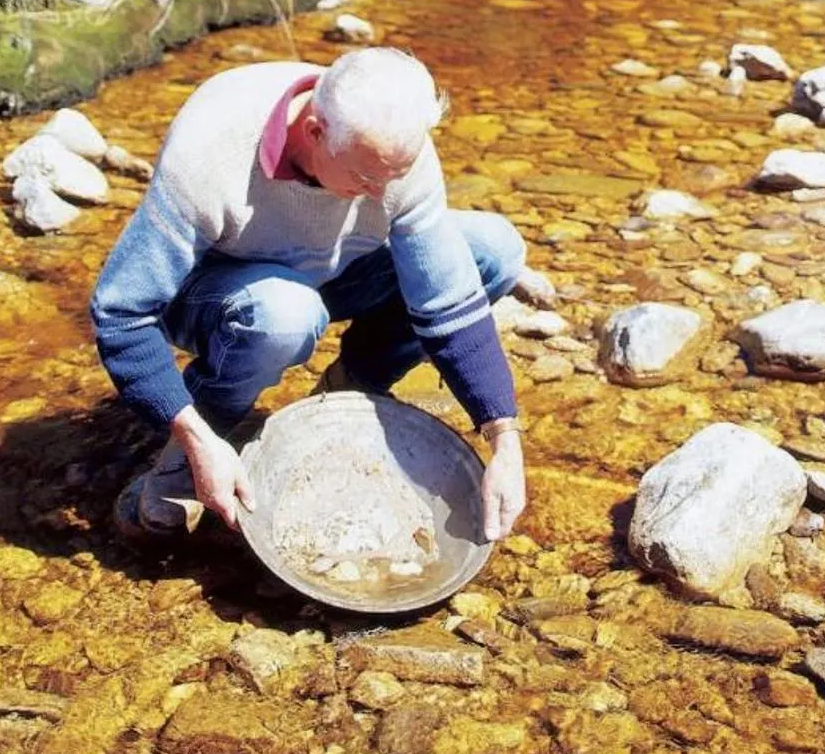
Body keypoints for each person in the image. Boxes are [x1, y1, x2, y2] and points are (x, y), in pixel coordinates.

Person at [90, 44, 527, 543]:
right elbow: (122, 312)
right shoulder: (211, 149)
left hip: (331, 271)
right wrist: (194, 436)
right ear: (315, 131)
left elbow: (448, 301)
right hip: (214, 293)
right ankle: (191, 451)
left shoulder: (388, 149)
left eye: (395, 176)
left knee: (491, 251)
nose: (383, 194)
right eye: (367, 177)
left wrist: (504, 440)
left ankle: (348, 389)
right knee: (283, 314)